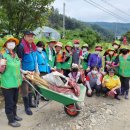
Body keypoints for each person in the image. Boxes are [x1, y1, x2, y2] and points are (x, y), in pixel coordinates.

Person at [0, 36, 22, 127]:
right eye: (9, 42)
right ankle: (11, 120)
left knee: (15, 100)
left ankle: (15, 115)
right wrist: (1, 66)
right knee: (9, 103)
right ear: (6, 44)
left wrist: (23, 73)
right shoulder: (2, 54)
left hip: (16, 82)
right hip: (7, 83)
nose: (11, 43)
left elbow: (17, 66)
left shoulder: (14, 54)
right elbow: (1, 70)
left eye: (13, 42)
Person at [17, 30, 37, 115]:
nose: (31, 38)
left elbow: (34, 59)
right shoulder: (21, 47)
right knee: (25, 90)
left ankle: (30, 103)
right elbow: (19, 62)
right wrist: (21, 73)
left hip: (32, 72)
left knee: (31, 88)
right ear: (24, 36)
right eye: (29, 36)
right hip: (25, 73)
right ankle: (27, 107)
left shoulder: (32, 46)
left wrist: (36, 70)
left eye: (32, 36)